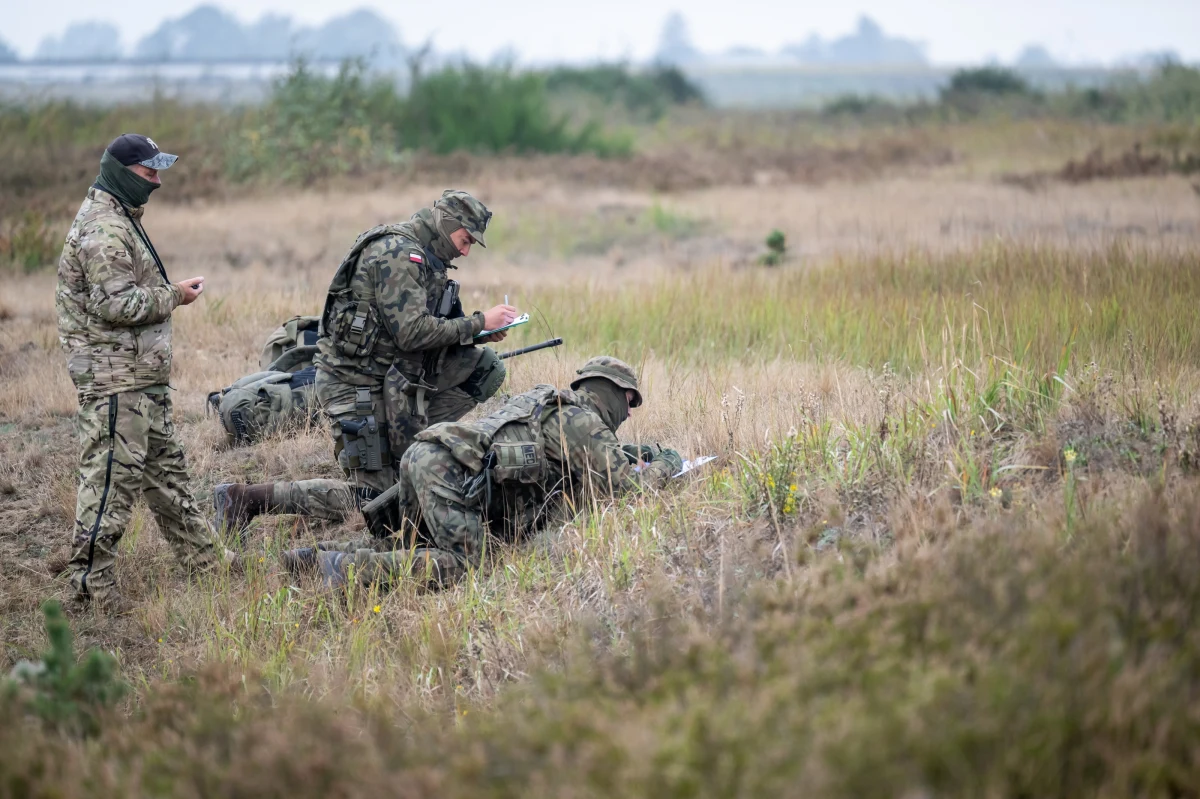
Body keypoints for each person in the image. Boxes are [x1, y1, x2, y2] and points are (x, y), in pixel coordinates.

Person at [214, 190, 517, 535]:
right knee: (376, 500)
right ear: (445, 225)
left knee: (484, 365)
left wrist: (476, 336)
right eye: (464, 240)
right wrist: (479, 322)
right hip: (356, 387)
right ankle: (246, 499)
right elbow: (412, 334)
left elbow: (418, 332)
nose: (464, 251)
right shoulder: (400, 255)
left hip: (393, 382)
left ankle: (413, 447)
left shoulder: (425, 257)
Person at [283, 356, 683, 590]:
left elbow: (579, 454)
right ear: (611, 391)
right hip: (448, 473)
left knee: (410, 545)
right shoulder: (585, 424)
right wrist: (668, 463)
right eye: (630, 401)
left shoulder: (553, 404)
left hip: (427, 453)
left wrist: (633, 451)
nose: (630, 413)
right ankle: (341, 570)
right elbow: (629, 491)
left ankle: (306, 559)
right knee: (464, 565)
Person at [56, 133, 236, 611]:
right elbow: (114, 303)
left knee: (169, 479)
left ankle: (207, 566)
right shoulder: (105, 229)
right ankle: (90, 590)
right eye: (149, 172)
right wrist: (175, 294)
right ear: (122, 173)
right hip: (118, 382)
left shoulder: (121, 219)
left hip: (139, 380)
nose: (157, 181)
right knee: (111, 483)